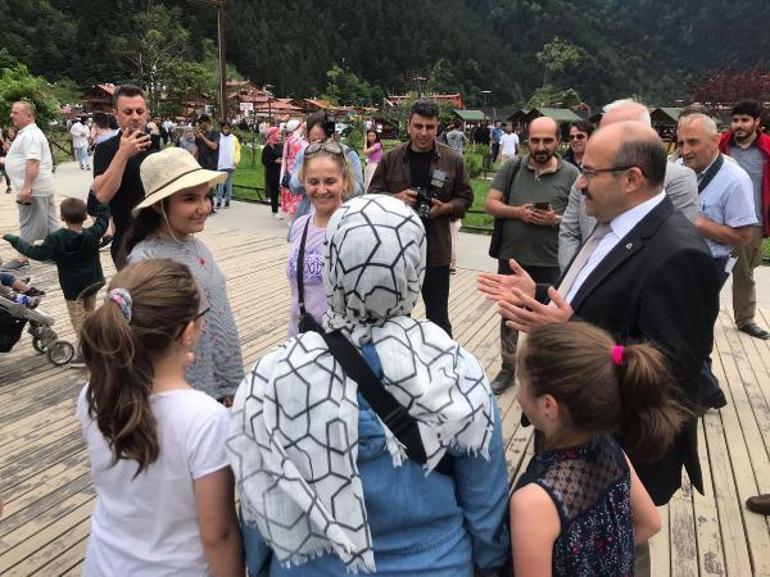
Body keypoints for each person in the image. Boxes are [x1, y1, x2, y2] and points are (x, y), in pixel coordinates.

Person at [478, 121, 720, 576]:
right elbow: (600, 295)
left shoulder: (678, 251)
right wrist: (543, 290)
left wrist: (572, 328)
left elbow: (674, 367)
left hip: (621, 446)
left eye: (590, 171)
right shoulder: (614, 223)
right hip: (578, 435)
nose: (580, 182)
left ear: (631, 178)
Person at [228, 194, 510, 576]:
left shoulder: (273, 375)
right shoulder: (455, 368)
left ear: (331, 264)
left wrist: (263, 565)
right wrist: (490, 564)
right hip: (435, 563)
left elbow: (261, 495)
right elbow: (484, 496)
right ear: (415, 267)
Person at [78, 259, 243, 577]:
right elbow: (217, 534)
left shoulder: (91, 395)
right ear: (189, 332)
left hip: (104, 562)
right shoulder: (205, 419)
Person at [511, 322, 676, 576]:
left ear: (548, 406)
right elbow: (650, 523)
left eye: (520, 380)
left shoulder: (532, 502)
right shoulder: (612, 451)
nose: (518, 391)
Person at [122, 147, 243, 405]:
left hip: (221, 373)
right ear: (158, 205)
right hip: (186, 390)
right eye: (190, 199)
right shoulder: (147, 260)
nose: (204, 207)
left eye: (206, 196)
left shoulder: (195, 244)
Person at [484, 116, 579, 392]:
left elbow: (577, 220)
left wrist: (554, 220)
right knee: (510, 316)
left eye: (547, 140)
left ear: (558, 142)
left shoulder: (572, 175)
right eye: (535, 140)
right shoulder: (513, 167)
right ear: (527, 141)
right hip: (513, 258)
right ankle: (507, 368)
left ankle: (545, 371)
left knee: (549, 320)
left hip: (551, 261)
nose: (540, 146)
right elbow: (490, 204)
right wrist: (518, 212)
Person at [558, 98, 699, 270]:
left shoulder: (678, 179)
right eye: (603, 131)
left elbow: (672, 248)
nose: (604, 139)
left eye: (617, 133)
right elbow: (569, 233)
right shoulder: (584, 179)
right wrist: (574, 278)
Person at [678, 112, 757, 410]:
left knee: (690, 326)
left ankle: (704, 390)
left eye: (693, 142)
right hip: (675, 260)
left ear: (715, 141)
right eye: (682, 141)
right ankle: (702, 387)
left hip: (710, 263)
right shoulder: (676, 168)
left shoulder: (735, 180)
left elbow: (743, 236)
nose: (685, 150)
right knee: (686, 325)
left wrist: (695, 222)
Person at [3, 198, 110, 368]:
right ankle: (97, 341)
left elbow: (36, 253)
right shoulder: (93, 233)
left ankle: (87, 353)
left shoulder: (56, 239)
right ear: (84, 217)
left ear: (61, 217)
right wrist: (103, 202)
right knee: (89, 313)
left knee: (78, 319)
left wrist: (14, 239)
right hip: (93, 281)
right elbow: (103, 221)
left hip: (74, 288)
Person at [92, 84, 160, 269]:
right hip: (128, 242)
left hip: (161, 238)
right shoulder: (106, 149)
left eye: (140, 111)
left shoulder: (154, 145)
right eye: (128, 112)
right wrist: (123, 153)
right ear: (116, 114)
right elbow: (103, 194)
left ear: (146, 113)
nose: (135, 117)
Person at [286, 140, 350, 336]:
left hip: (341, 342)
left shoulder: (353, 229)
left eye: (330, 181)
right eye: (313, 182)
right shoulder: (300, 226)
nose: (321, 190)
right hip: (301, 336)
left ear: (344, 181)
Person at [718, 100, 770, 340]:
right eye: (735, 120)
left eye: (744, 120)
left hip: (752, 222)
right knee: (704, 268)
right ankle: (695, 313)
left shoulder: (767, 150)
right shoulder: (721, 146)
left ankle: (745, 319)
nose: (738, 125)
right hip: (717, 219)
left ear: (757, 122)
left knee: (745, 271)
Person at [1, 101, 58, 271]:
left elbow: (33, 162)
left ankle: (22, 257)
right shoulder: (28, 133)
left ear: (29, 116)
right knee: (50, 224)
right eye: (12, 112)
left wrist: (26, 187)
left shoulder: (30, 135)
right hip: (41, 187)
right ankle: (59, 252)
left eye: (16, 112)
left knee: (29, 223)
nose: (12, 115)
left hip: (34, 188)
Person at [289, 112, 364, 221]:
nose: (318, 145)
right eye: (313, 140)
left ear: (332, 136)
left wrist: (341, 170)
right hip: (310, 215)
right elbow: (294, 188)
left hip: (342, 218)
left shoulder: (348, 153)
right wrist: (306, 167)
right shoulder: (304, 153)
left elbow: (359, 193)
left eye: (323, 140)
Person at [279, 119, 305, 219]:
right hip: (297, 167)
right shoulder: (300, 142)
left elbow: (285, 157)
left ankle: (290, 215)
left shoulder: (288, 140)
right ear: (298, 127)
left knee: (290, 192)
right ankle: (296, 216)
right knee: (297, 192)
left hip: (288, 169)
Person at [214, 120, 240, 210]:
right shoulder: (219, 137)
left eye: (227, 128)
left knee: (228, 184)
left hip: (230, 164)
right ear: (221, 129)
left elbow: (237, 150)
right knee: (220, 184)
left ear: (230, 129)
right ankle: (219, 201)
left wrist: (236, 160)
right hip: (221, 164)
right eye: (224, 128)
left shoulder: (234, 138)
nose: (226, 130)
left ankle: (227, 200)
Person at [261, 126, 283, 218]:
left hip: (281, 172)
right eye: (278, 134)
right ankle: (275, 211)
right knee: (274, 192)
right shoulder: (268, 147)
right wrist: (274, 161)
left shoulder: (281, 145)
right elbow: (264, 161)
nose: (280, 136)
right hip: (272, 173)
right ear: (272, 135)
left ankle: (285, 208)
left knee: (283, 191)